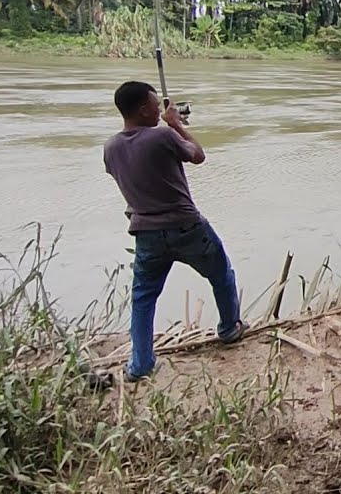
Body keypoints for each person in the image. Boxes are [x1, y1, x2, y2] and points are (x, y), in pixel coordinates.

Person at [103, 81, 247, 382]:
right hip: (186, 226)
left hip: (145, 233)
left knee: (143, 298)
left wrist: (167, 126)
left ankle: (140, 365)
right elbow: (197, 155)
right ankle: (229, 328)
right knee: (221, 275)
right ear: (143, 109)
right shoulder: (162, 137)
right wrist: (176, 125)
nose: (160, 109)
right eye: (156, 105)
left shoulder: (111, 147)